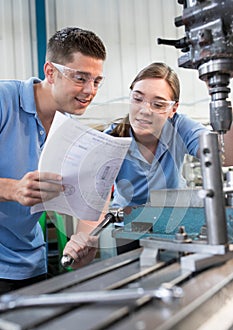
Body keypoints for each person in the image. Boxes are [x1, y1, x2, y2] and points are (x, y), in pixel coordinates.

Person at [0, 26, 107, 294]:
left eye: (96, 81)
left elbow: (96, 190)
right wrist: (12, 189)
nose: (90, 91)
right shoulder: (4, 101)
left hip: (30, 263)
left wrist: (86, 236)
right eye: (80, 78)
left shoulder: (69, 130)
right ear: (50, 72)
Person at [104, 62, 208, 208]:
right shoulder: (112, 138)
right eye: (138, 99)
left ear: (173, 109)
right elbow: (97, 196)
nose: (145, 110)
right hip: (124, 221)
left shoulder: (179, 128)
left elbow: (222, 154)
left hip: (174, 217)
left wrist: (218, 93)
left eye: (158, 105)